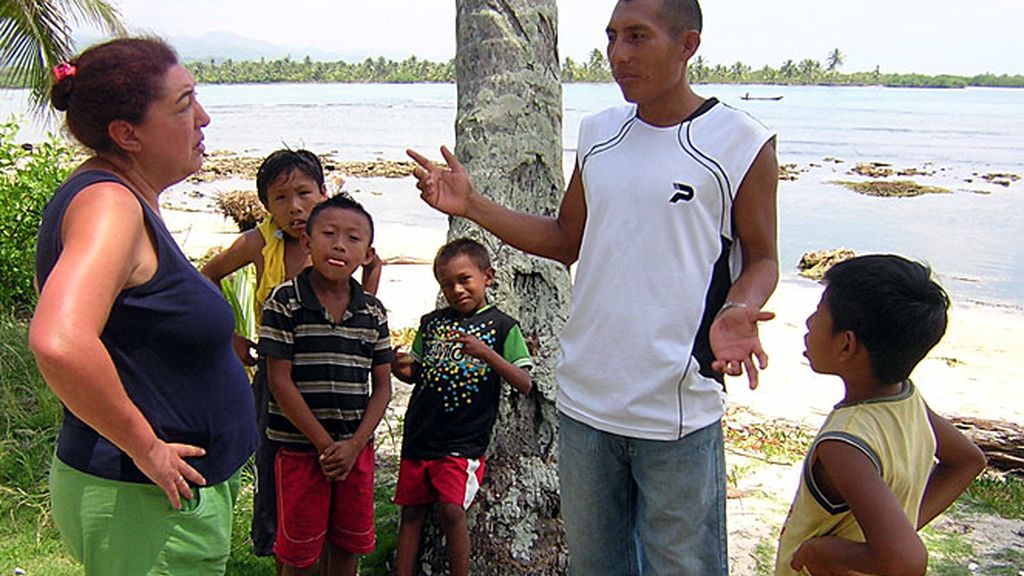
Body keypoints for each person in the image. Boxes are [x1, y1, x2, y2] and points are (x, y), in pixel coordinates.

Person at [407, 0, 778, 572]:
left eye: (637, 37)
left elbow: (763, 258)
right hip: (585, 403)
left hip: (676, 407)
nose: (618, 54)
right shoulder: (600, 133)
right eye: (611, 37)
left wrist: (739, 307)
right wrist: (473, 204)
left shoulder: (740, 142)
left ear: (688, 45)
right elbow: (565, 238)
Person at [29, 38, 258, 575]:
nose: (203, 118)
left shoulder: (110, 194)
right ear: (127, 134)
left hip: (152, 501)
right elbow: (59, 341)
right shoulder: (110, 205)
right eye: (183, 104)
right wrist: (147, 448)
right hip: (144, 503)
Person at [201, 148, 380, 560]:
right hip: (277, 376)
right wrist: (228, 336)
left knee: (340, 472)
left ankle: (330, 548)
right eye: (280, 198)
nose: (294, 206)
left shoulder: (338, 238)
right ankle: (281, 548)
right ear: (266, 205)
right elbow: (205, 277)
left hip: (336, 377)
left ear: (322, 192)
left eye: (303, 193)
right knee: (278, 467)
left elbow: (368, 285)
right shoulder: (259, 242)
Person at [776, 255, 986, 576]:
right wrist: (900, 529)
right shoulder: (907, 399)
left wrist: (821, 551)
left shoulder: (844, 443)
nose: (808, 322)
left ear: (846, 345)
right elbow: (968, 461)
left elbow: (905, 560)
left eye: (818, 313)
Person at [258, 194, 392, 576]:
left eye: (353, 238)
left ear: (367, 254)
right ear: (307, 242)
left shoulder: (372, 311)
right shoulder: (284, 302)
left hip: (354, 452)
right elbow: (279, 381)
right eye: (329, 234)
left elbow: (382, 387)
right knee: (299, 555)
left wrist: (353, 446)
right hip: (301, 451)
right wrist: (324, 445)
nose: (339, 245)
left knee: (347, 547)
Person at [391, 238, 533, 576]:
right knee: (412, 512)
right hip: (420, 434)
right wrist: (398, 367)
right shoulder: (432, 323)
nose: (456, 290)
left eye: (464, 279)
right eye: (447, 284)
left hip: (463, 441)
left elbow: (525, 382)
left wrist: (486, 353)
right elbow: (417, 373)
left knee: (451, 510)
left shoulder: (503, 326)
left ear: (488, 276)